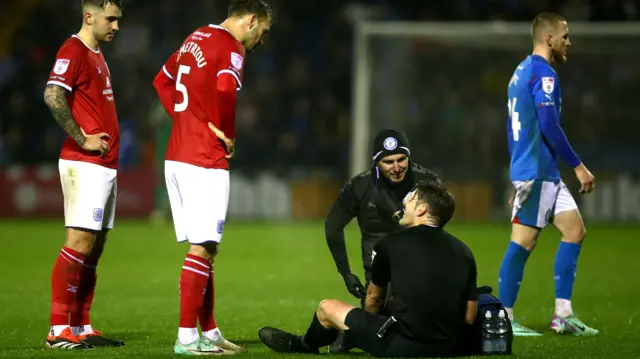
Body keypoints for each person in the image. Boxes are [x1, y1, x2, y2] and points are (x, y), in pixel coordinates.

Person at [152, 0, 272, 355]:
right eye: (262, 32)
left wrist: (184, 117)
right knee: (202, 247)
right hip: (204, 159)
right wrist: (226, 132)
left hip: (177, 155)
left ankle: (210, 330)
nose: (260, 41)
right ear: (250, 21)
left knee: (207, 247)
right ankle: (187, 338)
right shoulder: (231, 47)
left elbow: (162, 80)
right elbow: (223, 90)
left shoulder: (196, 37)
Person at [259, 181, 479, 357]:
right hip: (450, 348)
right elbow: (469, 317)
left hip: (403, 346)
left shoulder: (391, 243)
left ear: (421, 209)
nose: (405, 202)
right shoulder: (465, 251)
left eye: (410, 199)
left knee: (327, 308)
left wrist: (362, 329)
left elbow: (373, 299)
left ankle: (304, 345)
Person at [501, 12, 598, 336]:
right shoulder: (543, 74)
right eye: (565, 36)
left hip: (540, 171)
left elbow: (516, 125)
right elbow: (548, 125)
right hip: (538, 171)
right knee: (523, 242)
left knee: (574, 230)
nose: (569, 42)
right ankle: (503, 318)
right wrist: (578, 166)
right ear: (549, 39)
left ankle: (563, 316)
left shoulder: (520, 71)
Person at [43, 0, 125, 350]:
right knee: (79, 244)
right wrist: (82, 138)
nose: (116, 26)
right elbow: (52, 95)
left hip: (105, 166)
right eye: (111, 19)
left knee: (95, 248)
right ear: (88, 16)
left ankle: (81, 325)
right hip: (84, 163)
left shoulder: (95, 52)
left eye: (118, 20)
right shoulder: (73, 50)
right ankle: (57, 329)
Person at [325, 128, 440, 352]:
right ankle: (356, 332)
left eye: (401, 159)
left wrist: (398, 214)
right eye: (388, 162)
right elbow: (332, 227)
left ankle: (355, 334)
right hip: (378, 282)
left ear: (409, 157)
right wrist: (346, 273)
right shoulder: (359, 186)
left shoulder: (428, 182)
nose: (396, 168)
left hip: (420, 274)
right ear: (377, 162)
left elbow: (439, 226)